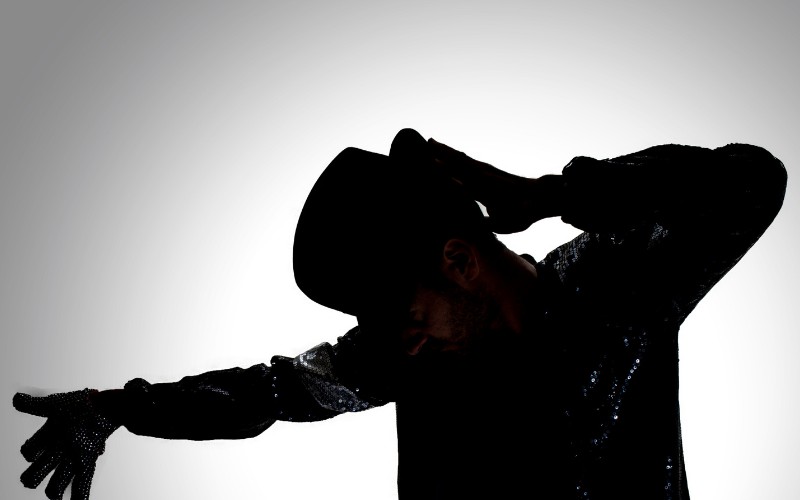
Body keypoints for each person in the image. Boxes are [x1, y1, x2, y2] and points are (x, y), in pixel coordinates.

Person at [13, 128, 787, 500]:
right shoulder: (400, 353)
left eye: (405, 314)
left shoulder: (613, 288)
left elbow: (750, 180)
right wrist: (115, 409)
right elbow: (268, 393)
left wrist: (552, 192)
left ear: (458, 262)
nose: (402, 343)